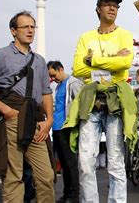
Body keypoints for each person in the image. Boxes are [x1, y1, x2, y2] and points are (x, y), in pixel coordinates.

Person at [0, 11, 55, 202]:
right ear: (13, 31)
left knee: (46, 176)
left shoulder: (39, 60)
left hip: (36, 121)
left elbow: (46, 92)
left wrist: (49, 120)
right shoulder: (0, 56)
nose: (30, 31)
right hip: (12, 117)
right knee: (13, 177)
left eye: (32, 27)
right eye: (25, 27)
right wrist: (7, 111)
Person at [69, 0, 137, 203]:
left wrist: (94, 60)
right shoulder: (86, 37)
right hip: (90, 101)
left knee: (116, 161)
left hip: (114, 100)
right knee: (85, 162)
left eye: (115, 6)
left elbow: (125, 65)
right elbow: (78, 68)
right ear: (98, 8)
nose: (112, 9)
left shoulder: (124, 34)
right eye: (107, 5)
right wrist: (113, 59)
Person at [47, 61, 82, 202]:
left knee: (70, 164)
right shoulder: (58, 86)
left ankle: (73, 196)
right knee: (63, 164)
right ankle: (67, 194)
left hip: (66, 129)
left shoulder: (73, 83)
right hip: (56, 129)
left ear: (61, 69)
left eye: (54, 75)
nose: (53, 79)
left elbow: (80, 104)